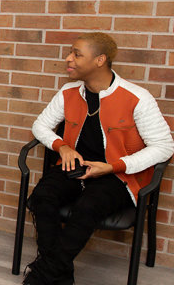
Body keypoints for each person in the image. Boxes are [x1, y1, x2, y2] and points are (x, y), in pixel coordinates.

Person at [22, 33, 174, 285]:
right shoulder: (68, 92)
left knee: (87, 207)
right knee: (41, 198)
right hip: (75, 167)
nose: (68, 59)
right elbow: (41, 126)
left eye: (77, 54)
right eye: (70, 53)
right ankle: (60, 275)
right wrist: (62, 147)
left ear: (100, 60)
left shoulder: (137, 97)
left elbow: (164, 146)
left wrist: (114, 166)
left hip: (117, 175)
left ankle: (43, 275)